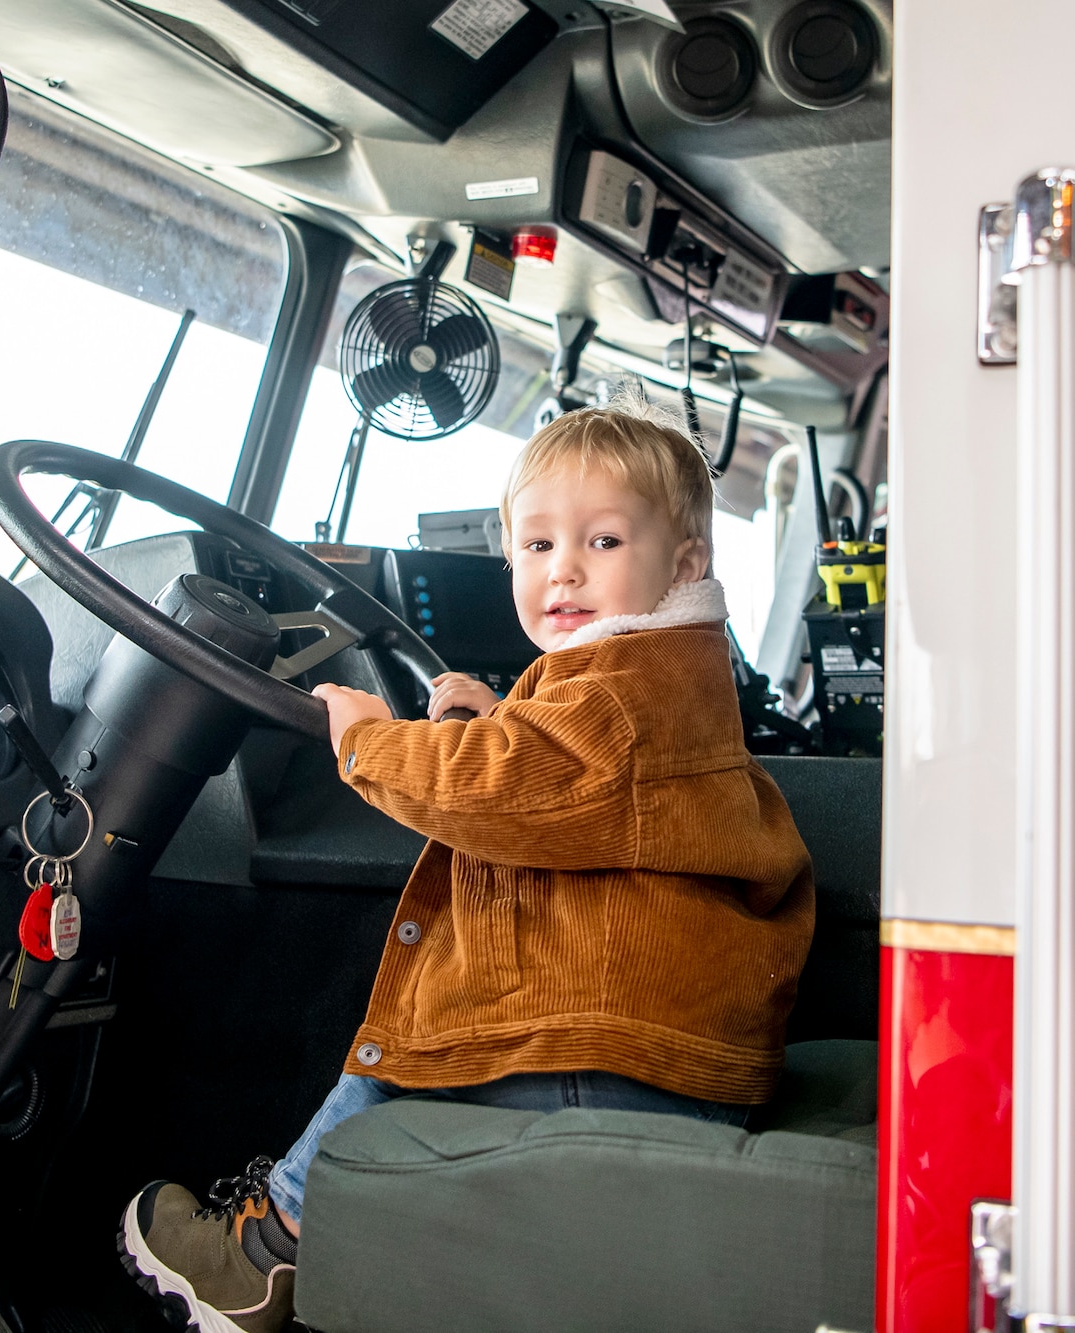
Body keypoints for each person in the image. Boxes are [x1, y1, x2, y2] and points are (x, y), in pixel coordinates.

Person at [117, 400, 816, 1333]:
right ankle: (276, 1238)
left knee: (406, 1045)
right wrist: (484, 722)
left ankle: (262, 1250)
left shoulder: (619, 689)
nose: (562, 568)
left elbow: (511, 788)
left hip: (600, 1047)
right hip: (654, 1030)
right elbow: (564, 780)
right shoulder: (653, 672)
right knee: (428, 1020)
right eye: (535, 546)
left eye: (602, 540)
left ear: (687, 562)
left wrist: (374, 741)